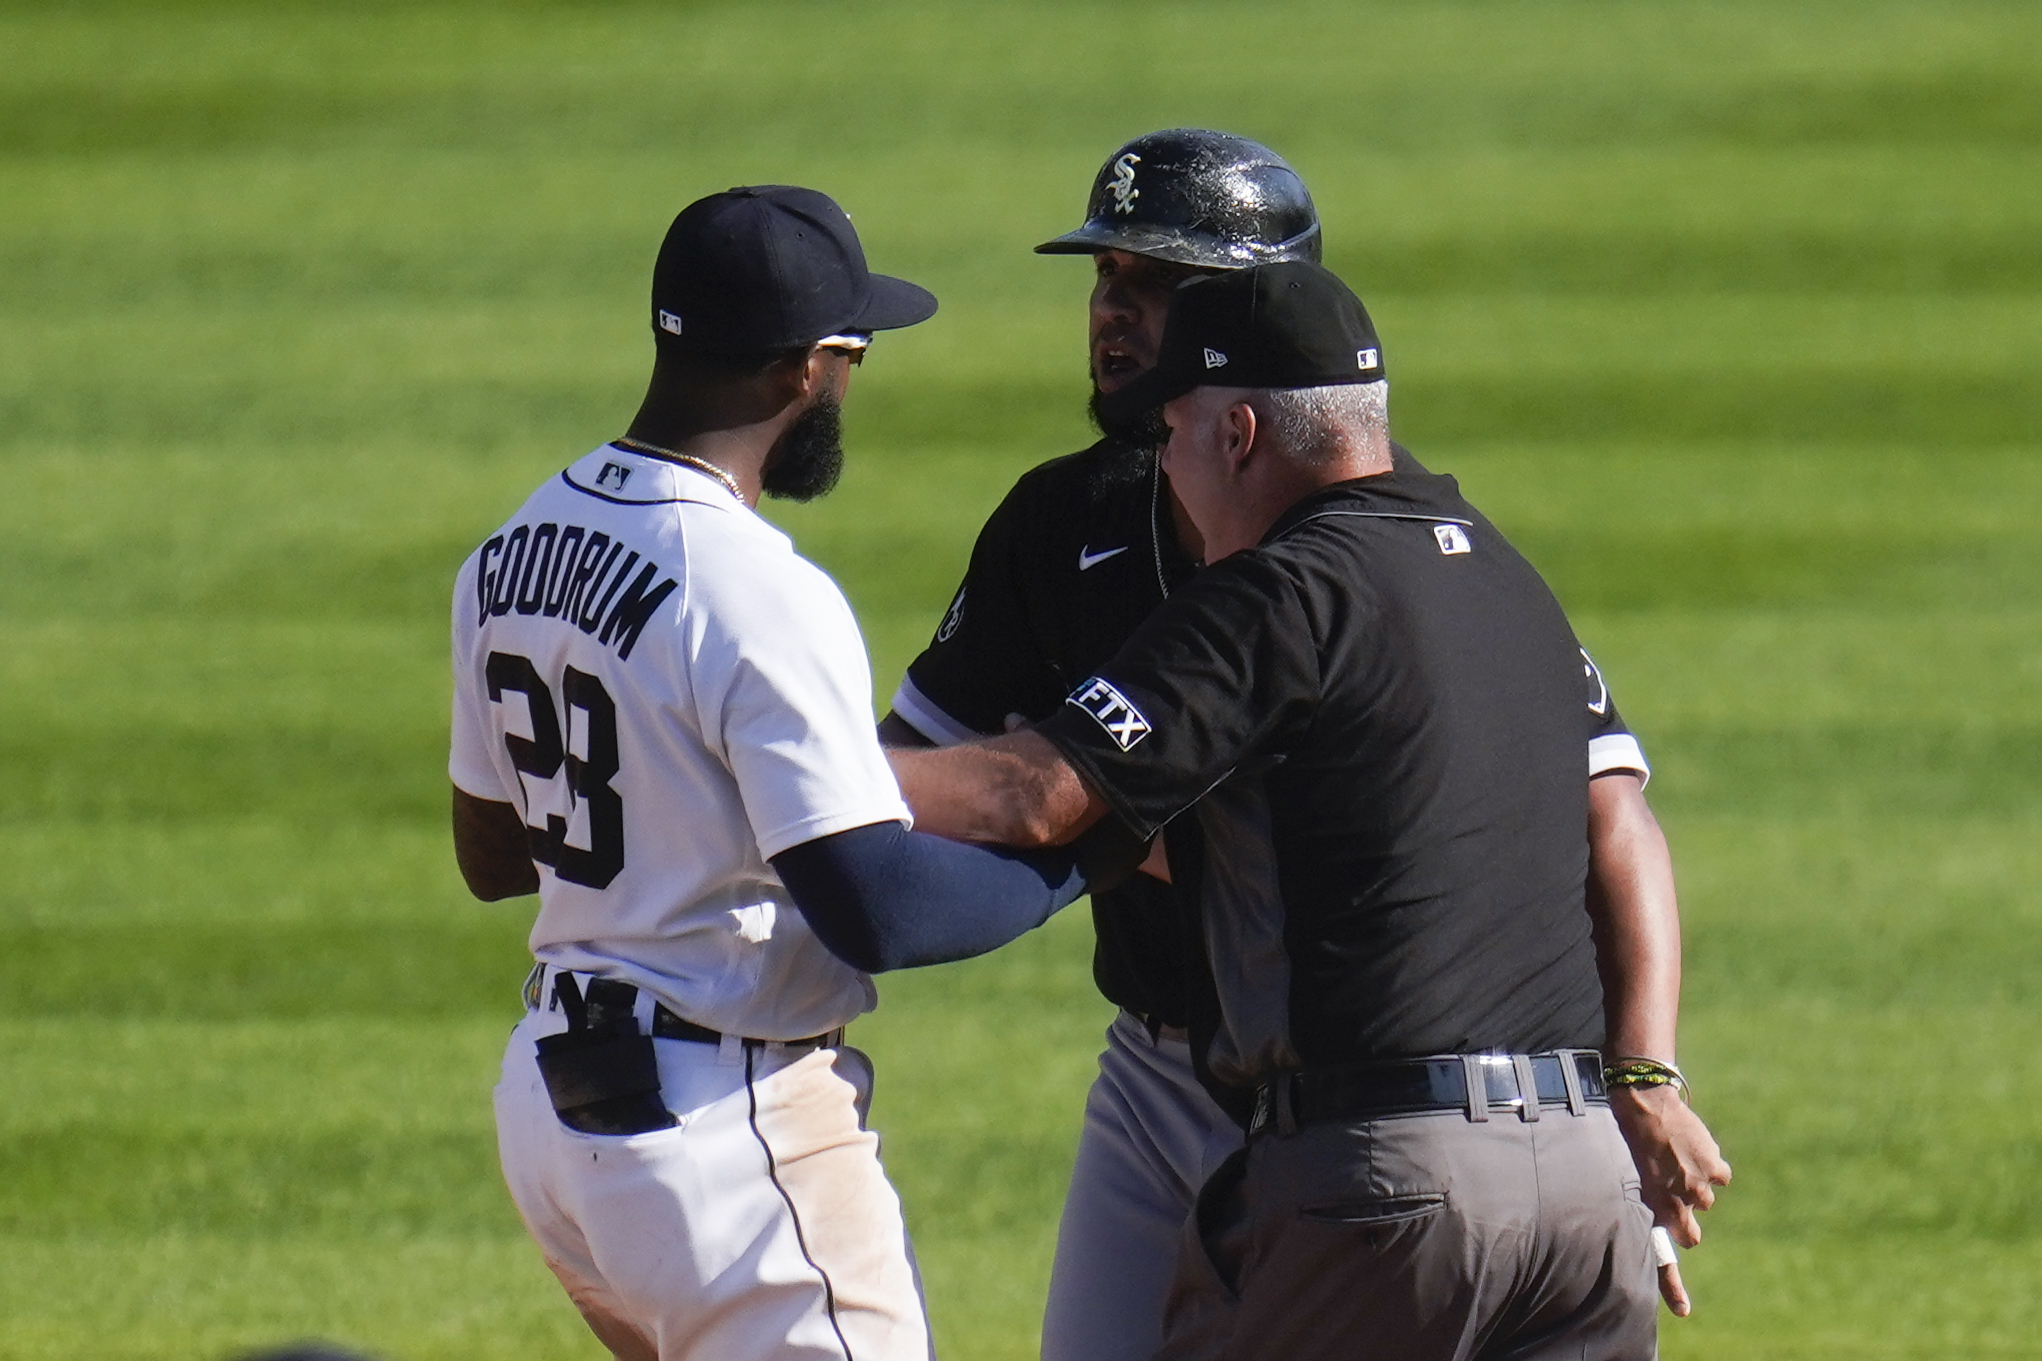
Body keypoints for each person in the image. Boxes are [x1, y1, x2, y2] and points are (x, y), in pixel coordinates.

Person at [878, 130, 1724, 1358]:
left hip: (1361, 1115)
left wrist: (1640, 1077)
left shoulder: (1365, 559)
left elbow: (1605, 821)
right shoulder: (1061, 523)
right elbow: (929, 764)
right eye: (1103, 279)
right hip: (1181, 1067)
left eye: (1155, 286)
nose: (1114, 315)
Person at [448, 185, 1126, 1361]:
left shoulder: (509, 549)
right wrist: (1097, 849)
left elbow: (491, 853)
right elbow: (878, 907)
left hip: (559, 1126)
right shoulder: (758, 589)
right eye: (852, 355)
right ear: (803, 368)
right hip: (721, 1136)